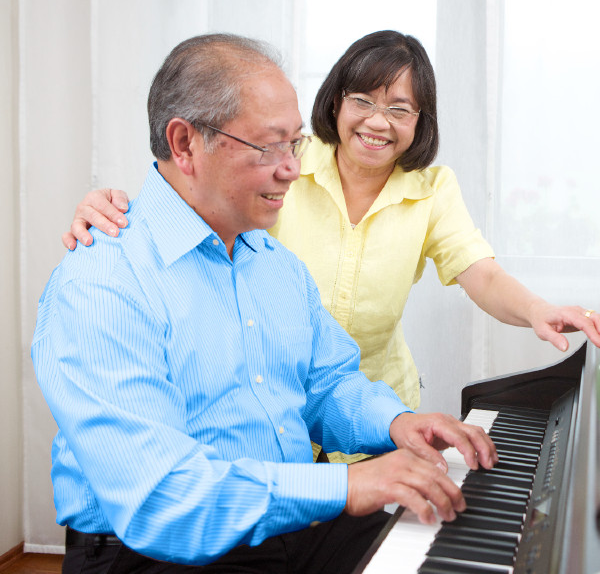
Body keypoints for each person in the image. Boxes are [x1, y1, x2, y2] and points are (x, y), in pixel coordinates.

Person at [33, 33, 497, 574]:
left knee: (446, 544)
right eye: (269, 147)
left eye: (295, 144)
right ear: (184, 144)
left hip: (287, 528)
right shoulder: (103, 282)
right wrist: (346, 484)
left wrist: (397, 424)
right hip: (159, 550)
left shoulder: (274, 264)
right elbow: (164, 497)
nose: (292, 169)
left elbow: (327, 383)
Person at [65, 29, 600, 461]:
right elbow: (200, 202)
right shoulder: (285, 166)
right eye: (362, 100)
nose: (376, 121)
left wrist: (538, 310)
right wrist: (121, 210)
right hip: (275, 399)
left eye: (400, 108)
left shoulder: (431, 190)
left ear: (421, 121)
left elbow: (479, 271)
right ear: (336, 102)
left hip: (365, 403)